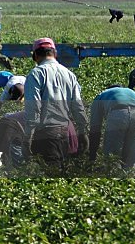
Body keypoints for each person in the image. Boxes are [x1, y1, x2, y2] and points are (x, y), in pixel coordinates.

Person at [24, 37, 88, 166]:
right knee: (60, 172)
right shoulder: (69, 74)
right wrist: (83, 132)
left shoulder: (36, 74)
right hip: (64, 132)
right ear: (55, 53)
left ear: (35, 55)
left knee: (48, 175)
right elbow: (78, 106)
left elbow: (34, 108)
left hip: (44, 134)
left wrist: (28, 138)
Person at [88, 86, 135, 170]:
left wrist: (92, 157)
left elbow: (95, 130)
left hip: (118, 113)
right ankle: (126, 177)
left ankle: (111, 175)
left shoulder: (100, 96)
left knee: (111, 159)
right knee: (131, 159)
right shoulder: (131, 92)